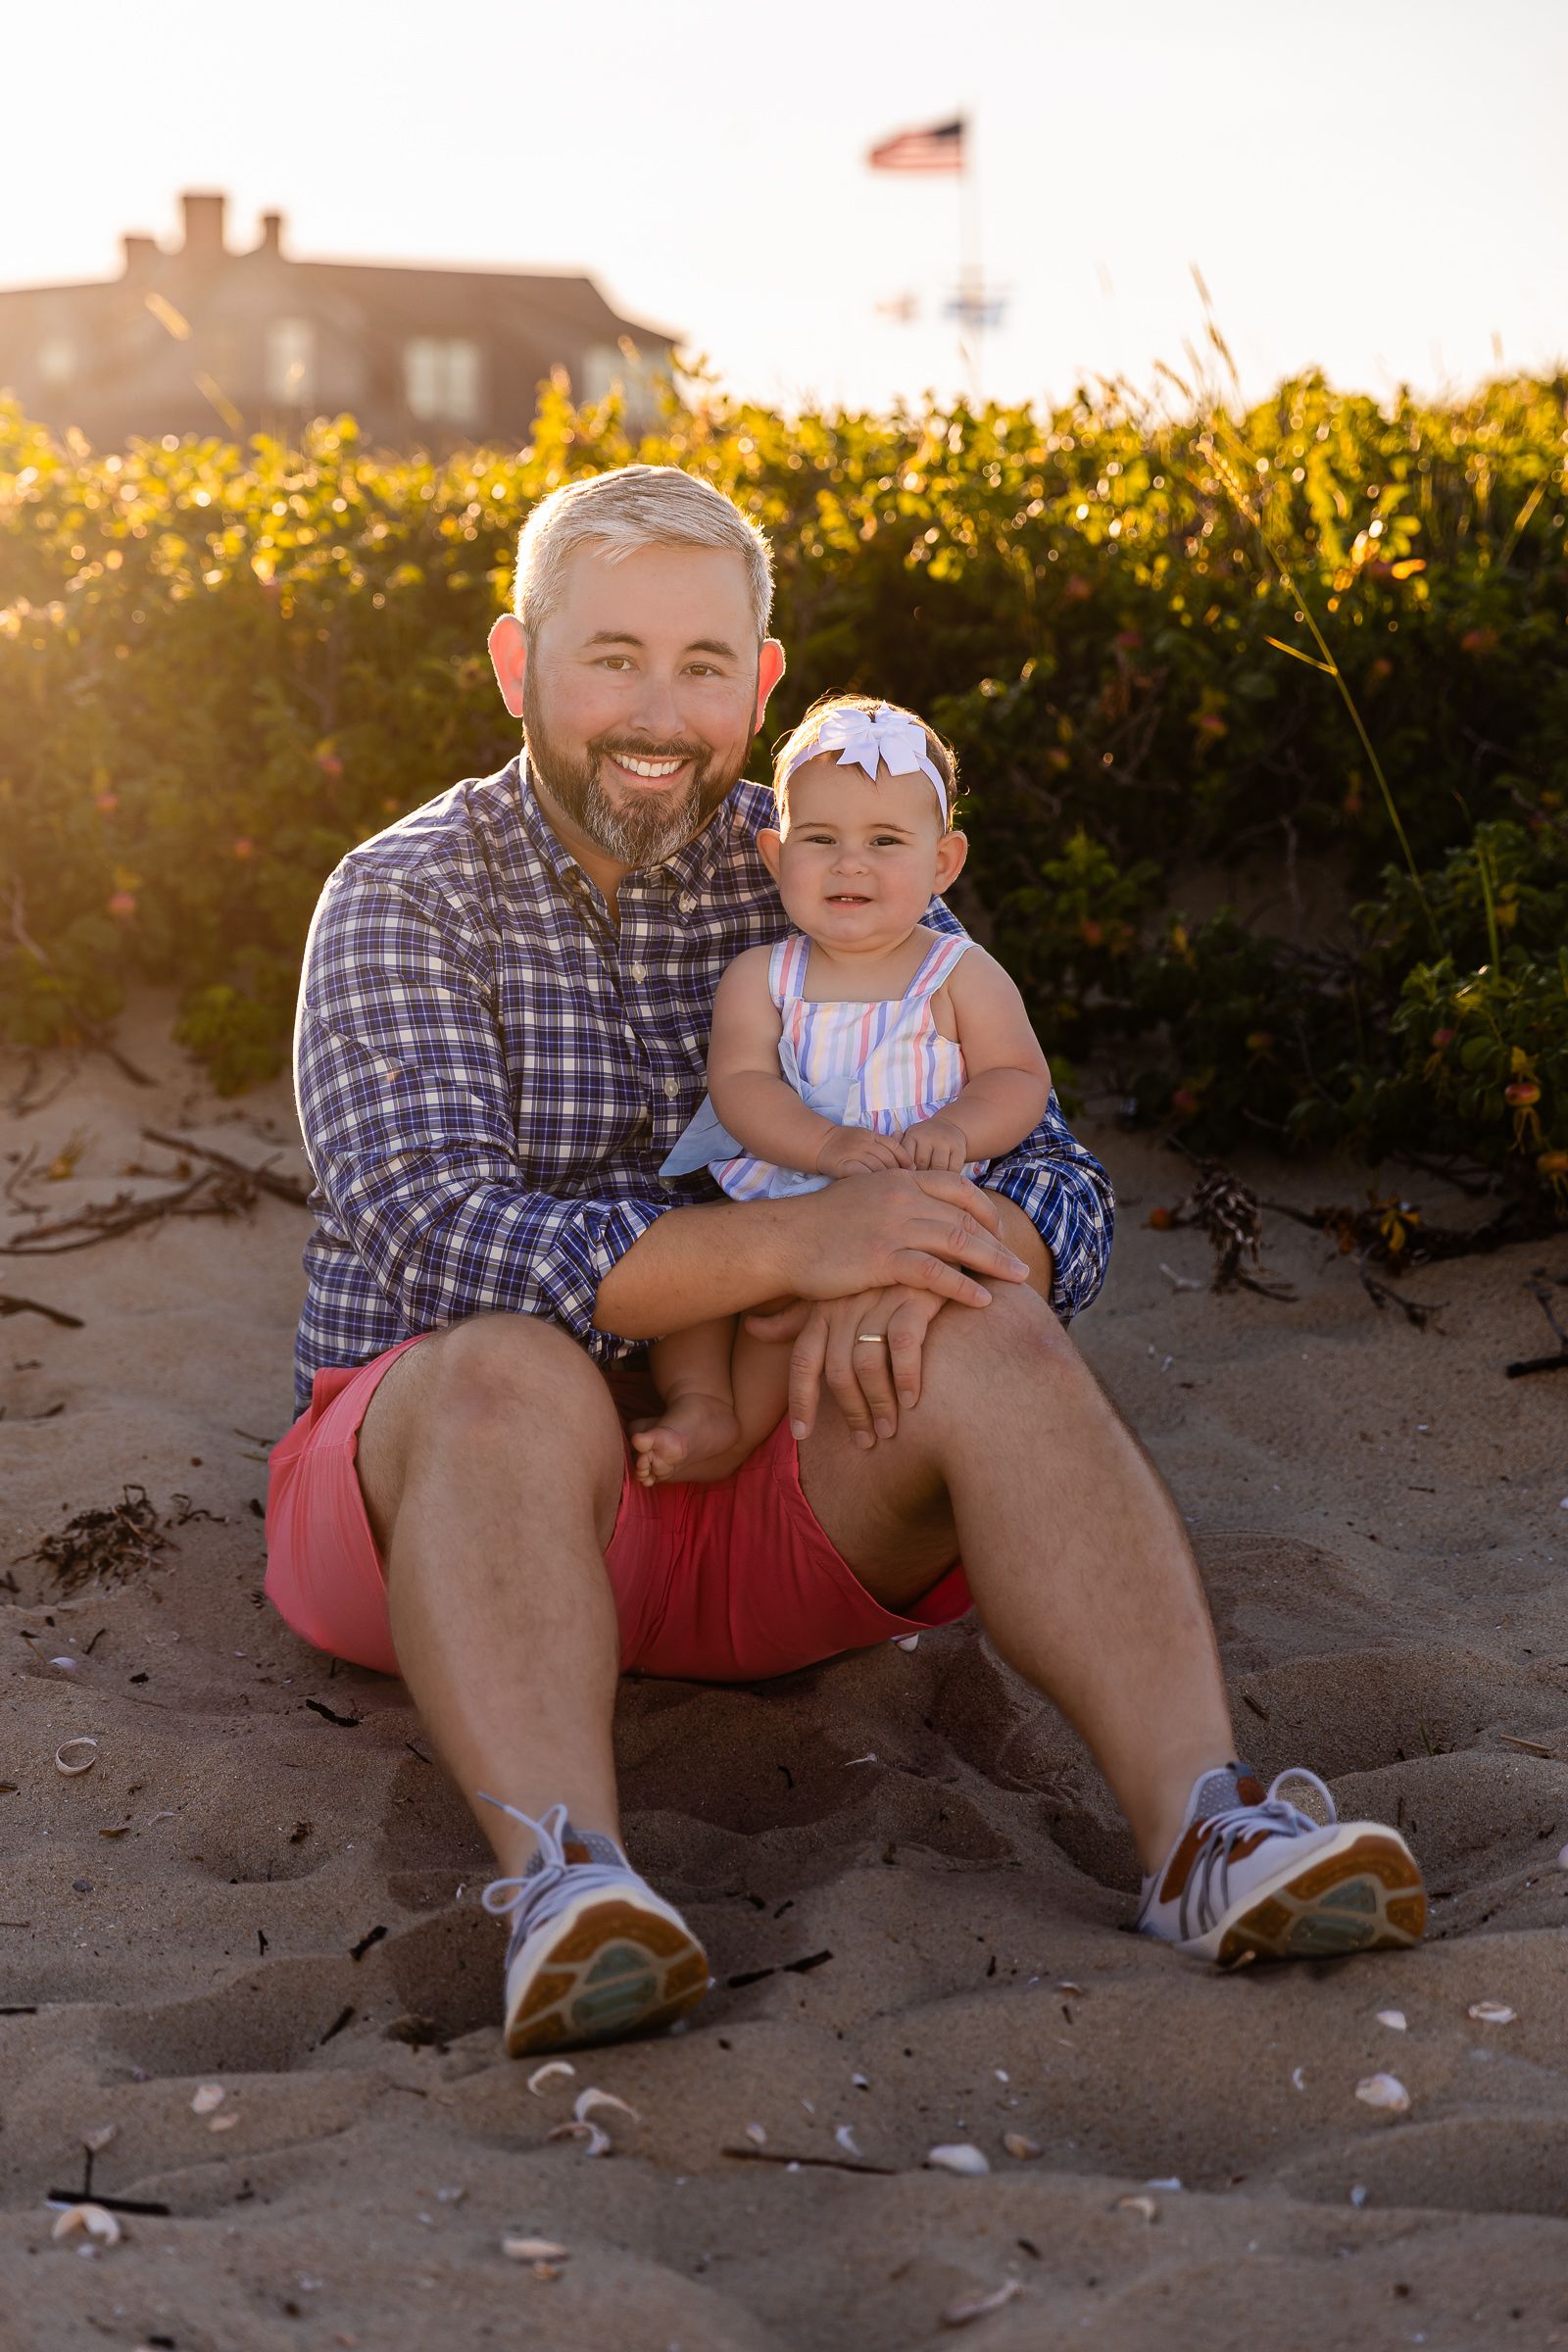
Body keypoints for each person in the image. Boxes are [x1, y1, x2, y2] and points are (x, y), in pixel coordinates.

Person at [265, 464, 1426, 2060]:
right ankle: (565, 1884)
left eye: (700, 664)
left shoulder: (833, 853)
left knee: (992, 1330)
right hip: (441, 1510)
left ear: (763, 681)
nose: (655, 712)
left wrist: (951, 1246)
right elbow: (439, 1229)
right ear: (515, 664)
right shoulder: (401, 897)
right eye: (609, 657)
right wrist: (799, 1243)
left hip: (765, 1506)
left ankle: (1205, 1838)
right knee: (502, 1366)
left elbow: (1055, 1179)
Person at [630, 693, 1053, 1488]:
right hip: (784, 1198)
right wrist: (823, 1145)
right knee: (705, 1301)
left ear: (943, 863)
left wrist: (959, 1130)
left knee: (854, 1335)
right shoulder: (764, 976)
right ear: (774, 855)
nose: (849, 862)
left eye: (885, 841)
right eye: (819, 839)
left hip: (908, 1200)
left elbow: (1019, 1077)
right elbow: (742, 1083)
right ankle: (702, 1408)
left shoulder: (959, 973)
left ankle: (787, 1452)